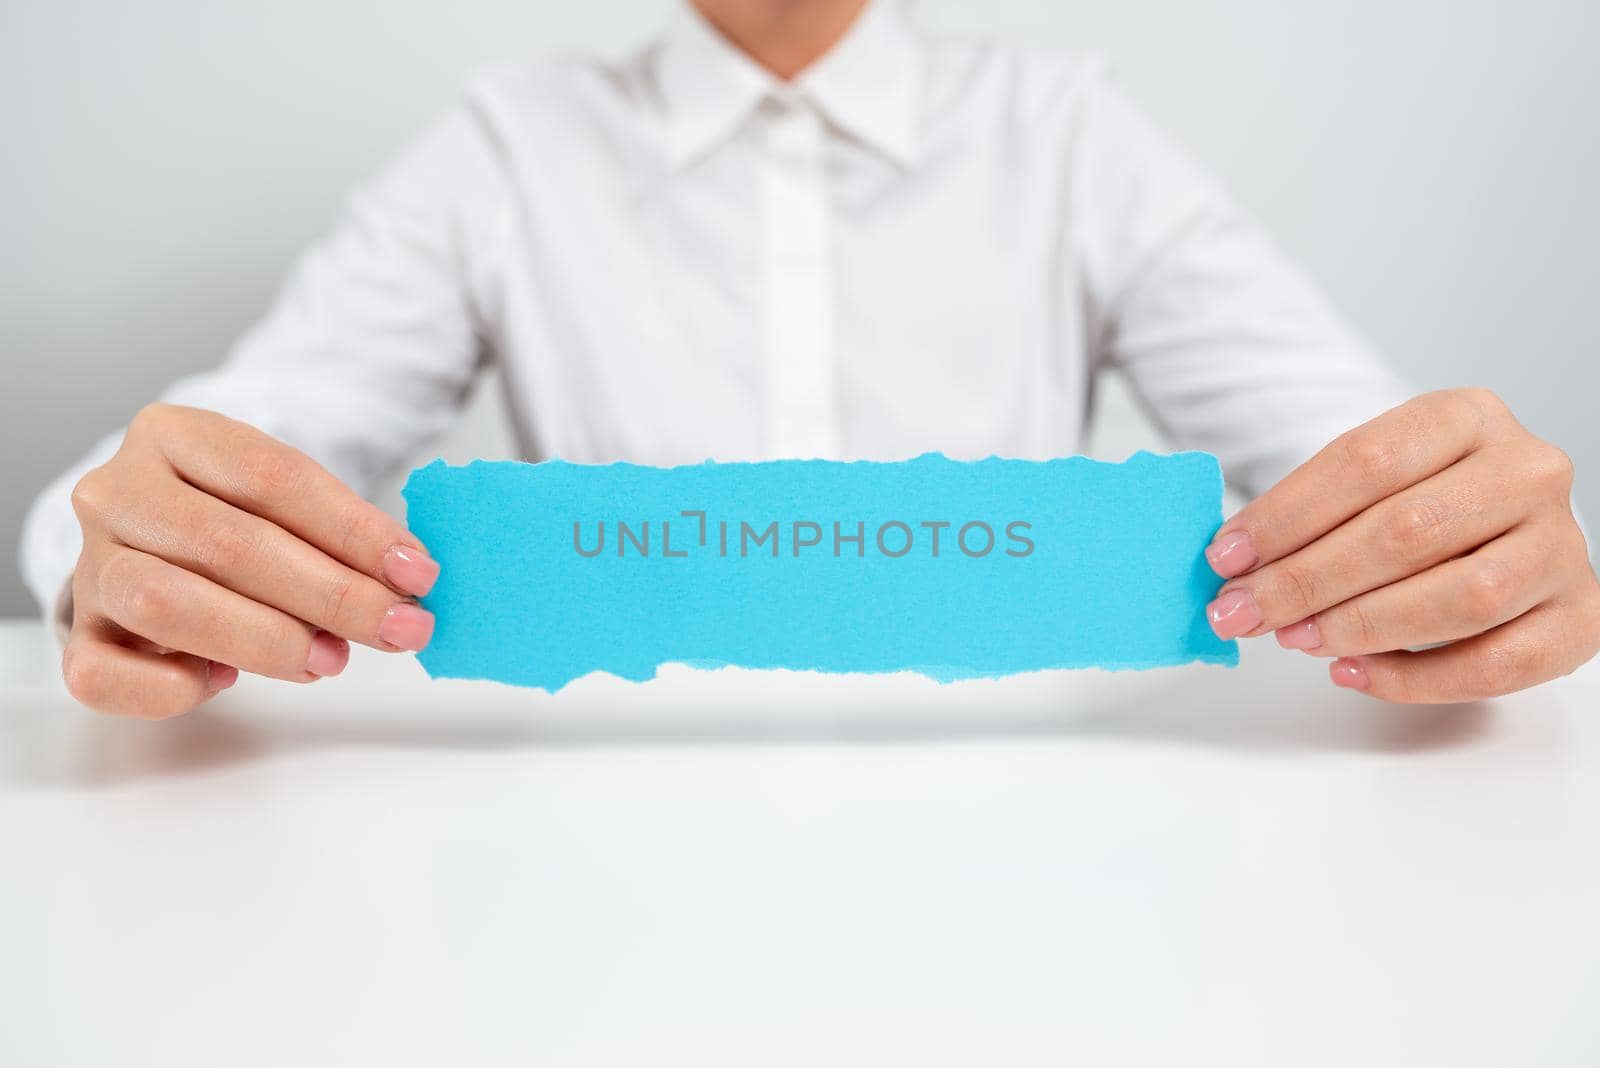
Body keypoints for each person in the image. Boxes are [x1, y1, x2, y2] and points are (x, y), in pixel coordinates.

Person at [20, 0, 1600, 718]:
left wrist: (1477, 540)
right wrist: (112, 544)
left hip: (1060, 878)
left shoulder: (1068, 133)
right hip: (575, 888)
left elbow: (1369, 458)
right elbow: (228, 446)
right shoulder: (505, 149)